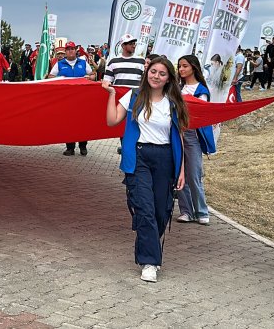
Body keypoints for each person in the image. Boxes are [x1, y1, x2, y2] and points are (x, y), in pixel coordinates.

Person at [104, 56, 187, 283]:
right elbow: (112, 121)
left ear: (169, 78)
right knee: (145, 208)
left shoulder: (174, 102)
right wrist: (112, 95)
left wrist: (182, 170)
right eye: (153, 72)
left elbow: (179, 136)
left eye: (162, 73)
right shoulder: (133, 97)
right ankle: (150, 261)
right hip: (140, 156)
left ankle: (148, 247)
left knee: (161, 210)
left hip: (165, 158)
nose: (156, 76)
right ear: (146, 72)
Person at [175, 55, 215, 225]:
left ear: (193, 67)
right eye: (179, 66)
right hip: (176, 134)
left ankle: (201, 211)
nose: (181, 69)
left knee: (193, 174)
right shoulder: (177, 88)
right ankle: (186, 211)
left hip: (192, 135)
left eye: (184, 66)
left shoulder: (201, 90)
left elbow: (200, 113)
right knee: (178, 173)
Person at [49, 42, 94, 156]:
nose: (70, 51)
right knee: (68, 123)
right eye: (68, 49)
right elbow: (50, 76)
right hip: (66, 99)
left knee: (83, 123)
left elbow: (93, 74)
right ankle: (70, 147)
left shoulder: (83, 63)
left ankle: (83, 146)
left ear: (76, 50)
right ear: (65, 51)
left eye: (72, 49)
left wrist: (90, 77)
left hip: (82, 99)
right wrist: (60, 78)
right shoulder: (60, 64)